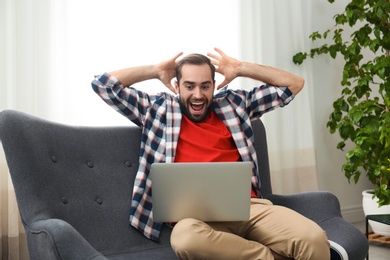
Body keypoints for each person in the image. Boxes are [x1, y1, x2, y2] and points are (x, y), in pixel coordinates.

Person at [91, 48, 330, 259]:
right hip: (194, 221)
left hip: (249, 208)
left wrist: (240, 68)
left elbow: (293, 84)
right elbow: (103, 85)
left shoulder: (235, 104)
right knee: (185, 240)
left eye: (205, 86)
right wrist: (155, 70)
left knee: (313, 238)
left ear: (214, 86)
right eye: (189, 86)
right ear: (176, 86)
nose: (197, 94)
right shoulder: (157, 109)